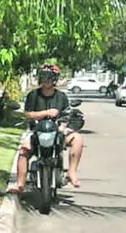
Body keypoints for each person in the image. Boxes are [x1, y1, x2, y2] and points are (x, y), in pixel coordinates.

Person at [8, 64, 84, 194]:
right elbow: (27, 114)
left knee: (78, 139)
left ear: (54, 79)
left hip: (58, 132)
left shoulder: (62, 97)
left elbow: (67, 114)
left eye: (49, 78)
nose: (46, 81)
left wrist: (63, 126)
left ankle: (71, 173)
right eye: (43, 77)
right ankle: (20, 184)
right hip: (36, 131)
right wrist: (46, 113)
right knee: (23, 151)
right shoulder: (33, 95)